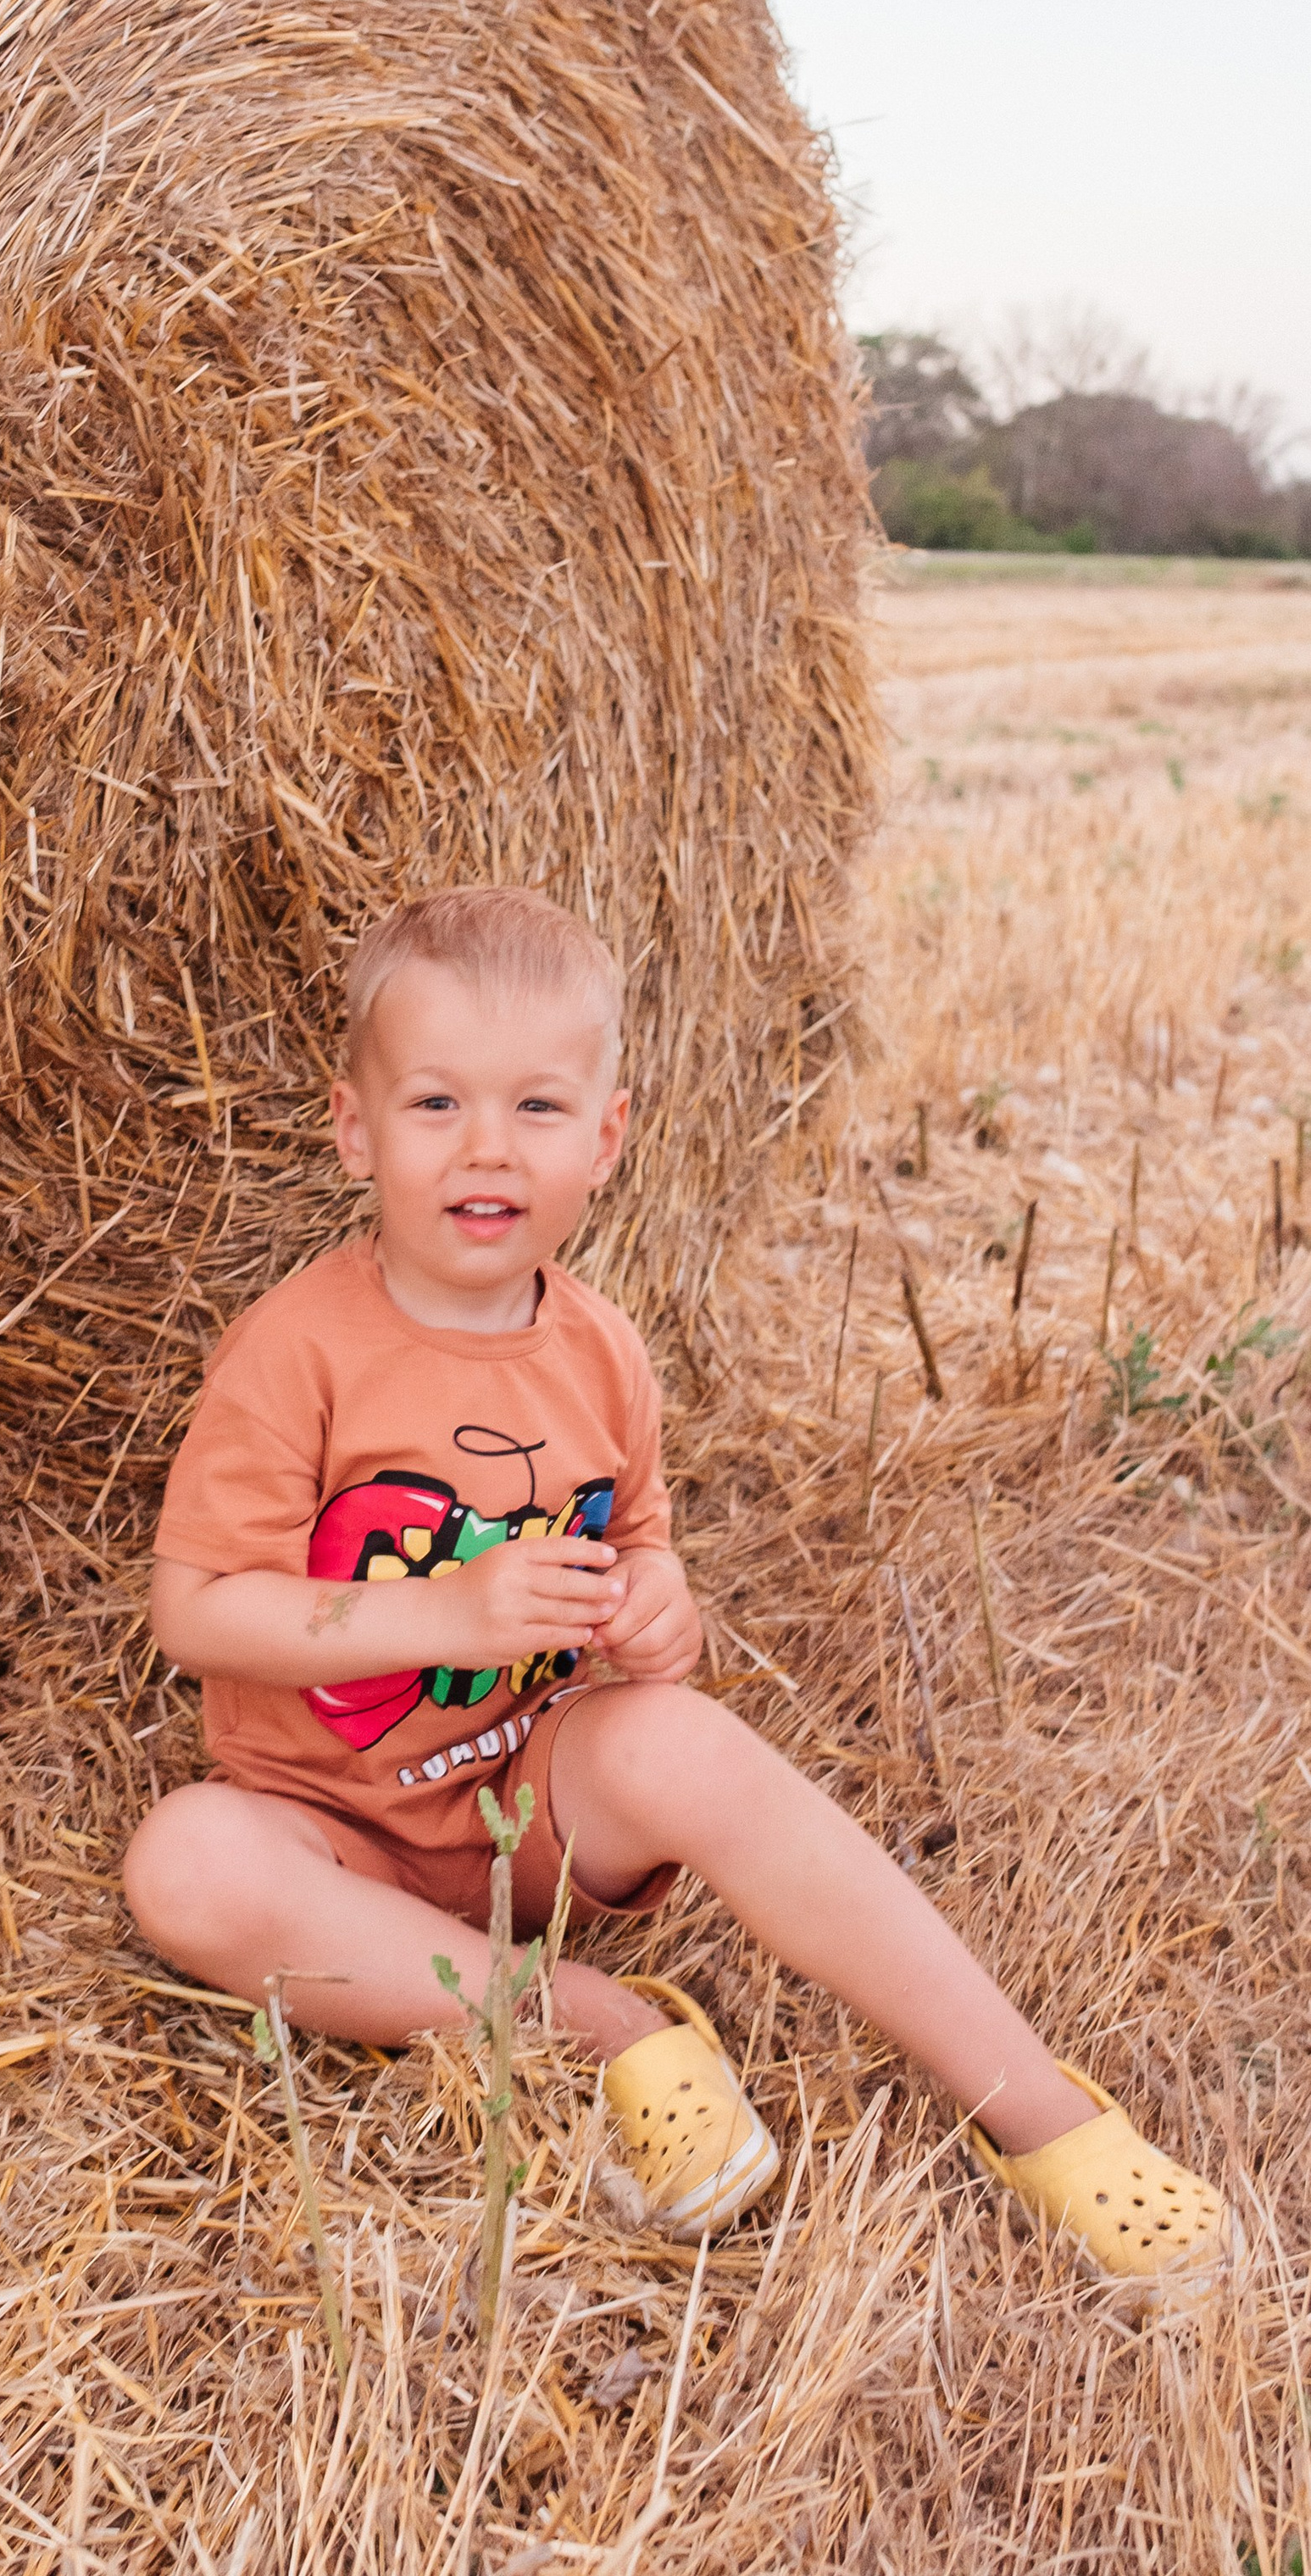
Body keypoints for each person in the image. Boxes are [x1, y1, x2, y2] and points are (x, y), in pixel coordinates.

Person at [123, 887, 1230, 2296]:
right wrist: (448, 1616)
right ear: (356, 1127)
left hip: (536, 1818)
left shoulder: (603, 1353)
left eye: (536, 1107)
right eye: (436, 1103)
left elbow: (641, 1549)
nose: (485, 1147)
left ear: (609, 1136)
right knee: (185, 1862)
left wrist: (660, 1606)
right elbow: (200, 1607)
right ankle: (601, 2024)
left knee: (684, 1738)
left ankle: (1035, 2105)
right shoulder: (297, 1351)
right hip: (332, 1844)